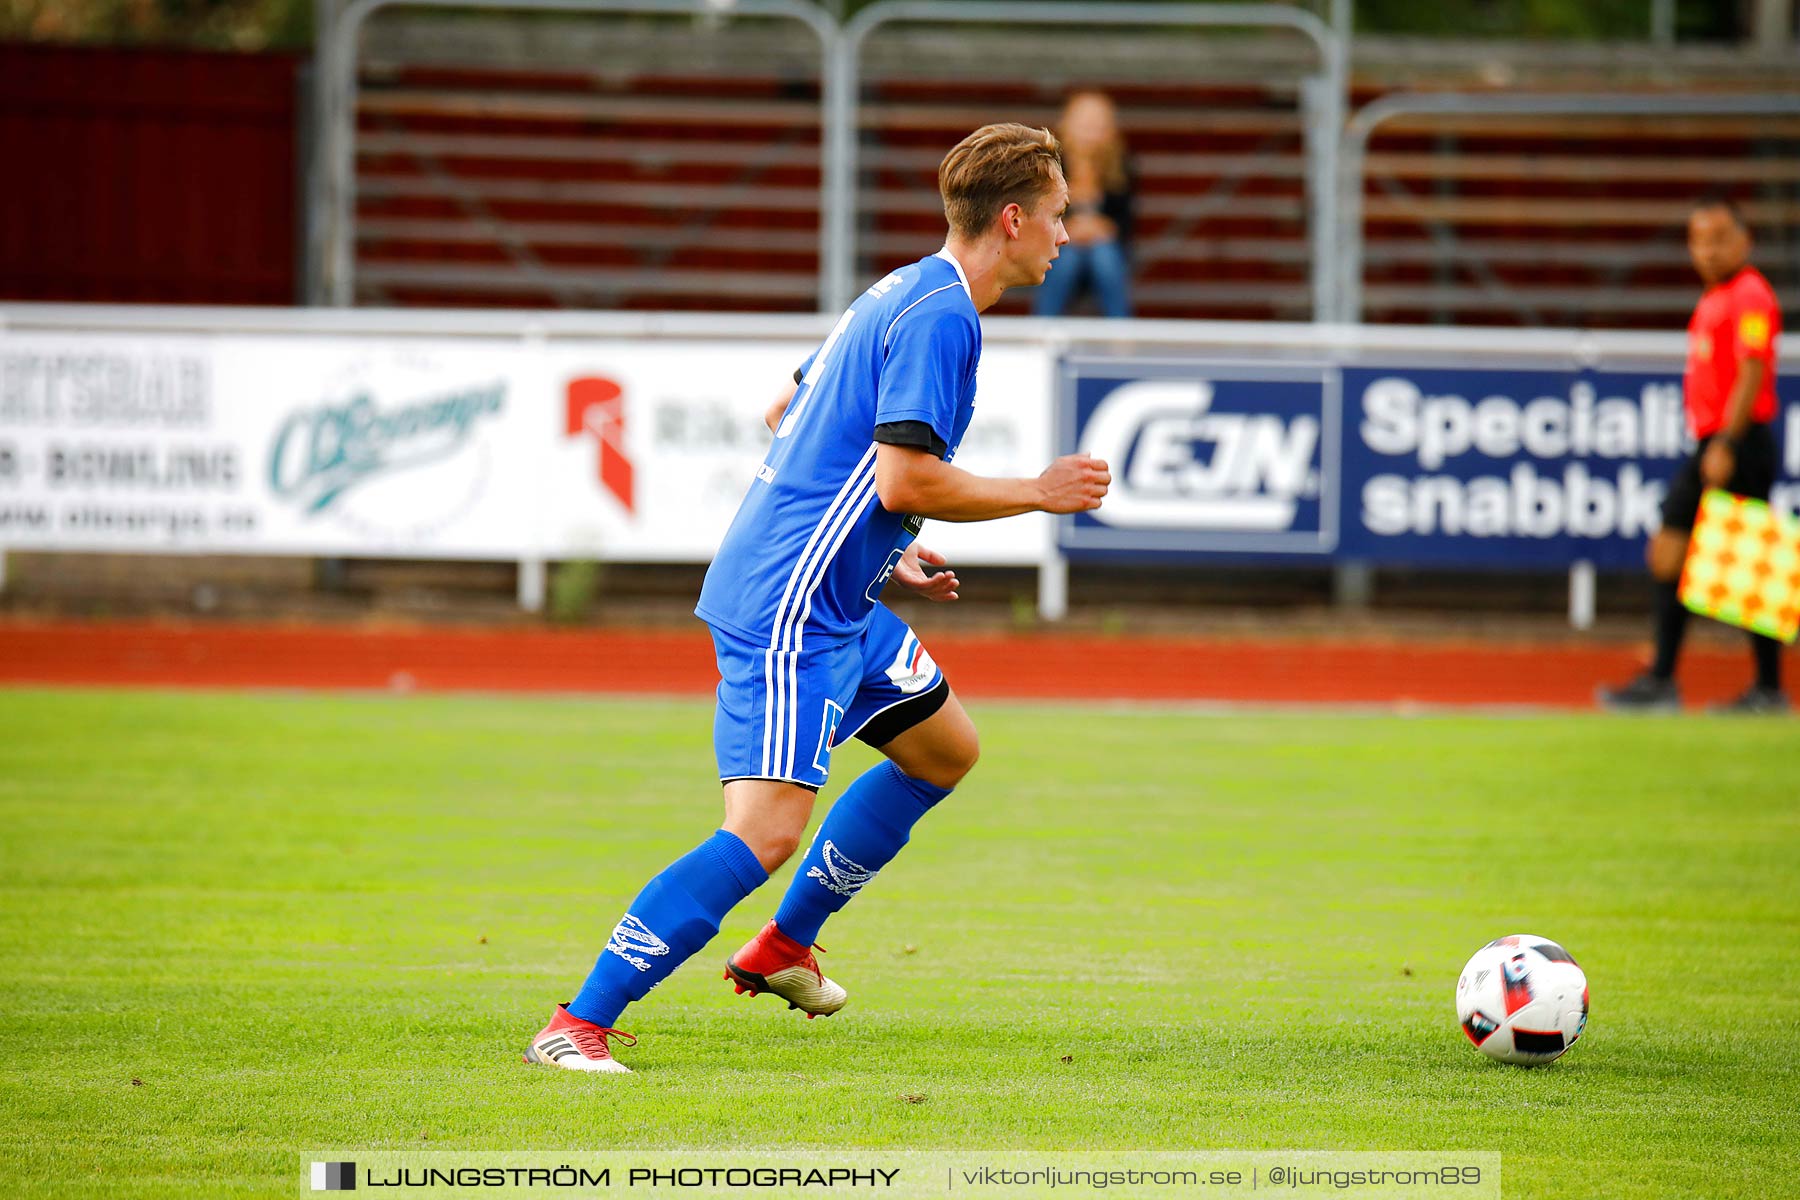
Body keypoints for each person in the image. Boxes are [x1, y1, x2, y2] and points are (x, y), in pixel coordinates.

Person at [523, 123, 1113, 1072]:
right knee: (763, 833)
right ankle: (576, 1025)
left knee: (943, 749)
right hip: (791, 603)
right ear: (1012, 219)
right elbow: (904, 480)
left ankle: (783, 949)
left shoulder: (904, 286)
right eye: (1056, 215)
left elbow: (789, 414)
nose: (1066, 235)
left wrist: (885, 551)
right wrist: (1035, 492)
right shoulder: (942, 316)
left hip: (837, 590)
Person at [1599, 196, 1786, 714]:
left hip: (1737, 441)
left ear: (1745, 242)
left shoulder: (1750, 295)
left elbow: (1751, 371)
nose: (1707, 250)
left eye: (1720, 238)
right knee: (1674, 553)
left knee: (1741, 562)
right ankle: (1673, 679)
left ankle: (1750, 688)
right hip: (1720, 440)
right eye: (1699, 240)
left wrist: (1726, 442)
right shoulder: (1717, 297)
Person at [1031, 91, 1135, 319]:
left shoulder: (1120, 168)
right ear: (1067, 124)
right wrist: (1072, 229)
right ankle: (1043, 326)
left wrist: (1098, 228)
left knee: (1104, 257)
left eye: (1097, 124)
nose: (1090, 131)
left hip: (1105, 249)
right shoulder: (1051, 165)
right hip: (1061, 247)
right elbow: (1042, 217)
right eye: (1085, 123)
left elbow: (1125, 224)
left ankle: (1120, 332)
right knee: (1066, 258)